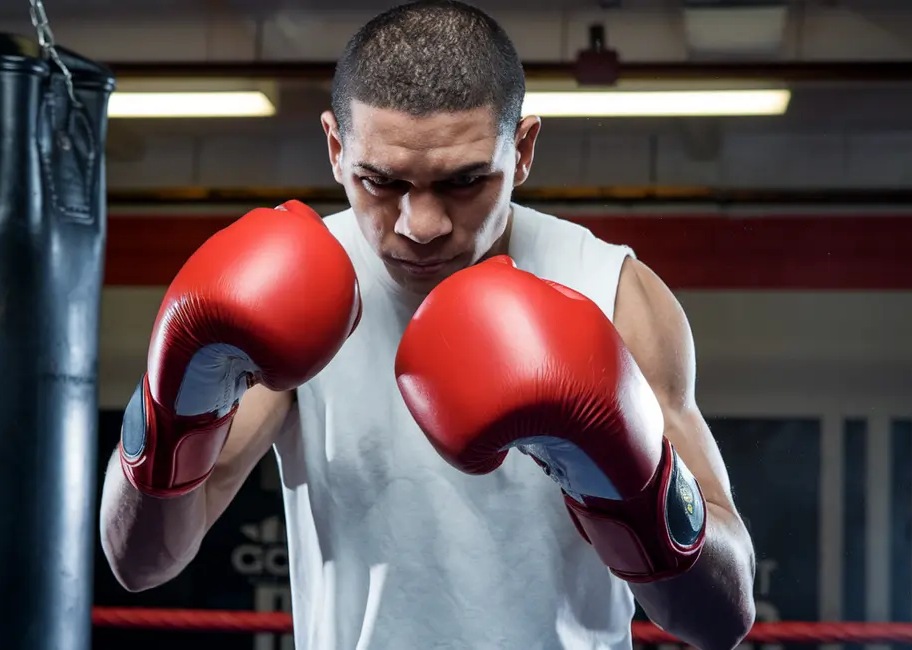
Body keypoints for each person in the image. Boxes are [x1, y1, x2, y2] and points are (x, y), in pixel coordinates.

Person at [99, 1, 757, 648]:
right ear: (336, 149)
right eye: (380, 182)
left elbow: (720, 619)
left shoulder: (611, 293)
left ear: (522, 149)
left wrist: (636, 488)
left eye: (464, 182)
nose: (422, 226)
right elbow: (142, 562)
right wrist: (176, 404)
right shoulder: (287, 289)